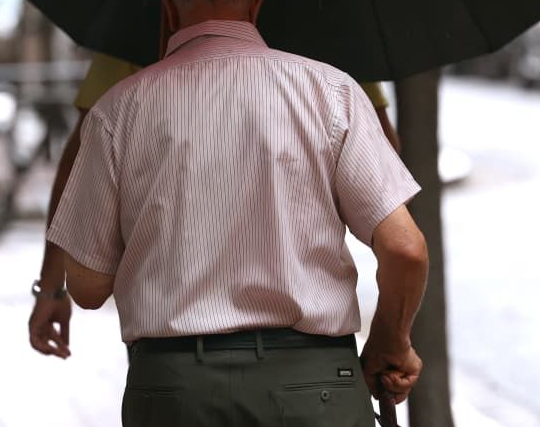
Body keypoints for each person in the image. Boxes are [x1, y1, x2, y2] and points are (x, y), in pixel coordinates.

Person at [44, 0, 430, 427]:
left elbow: (87, 287)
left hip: (177, 389)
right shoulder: (330, 91)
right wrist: (391, 341)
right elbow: (405, 248)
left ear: (166, 3)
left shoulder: (120, 109)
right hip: (312, 386)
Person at [28, 42, 399, 361]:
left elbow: (80, 167)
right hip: (311, 361)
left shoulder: (134, 35)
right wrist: (391, 340)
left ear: (169, 0)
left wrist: (52, 284)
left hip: (176, 360)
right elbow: (389, 181)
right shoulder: (335, 39)